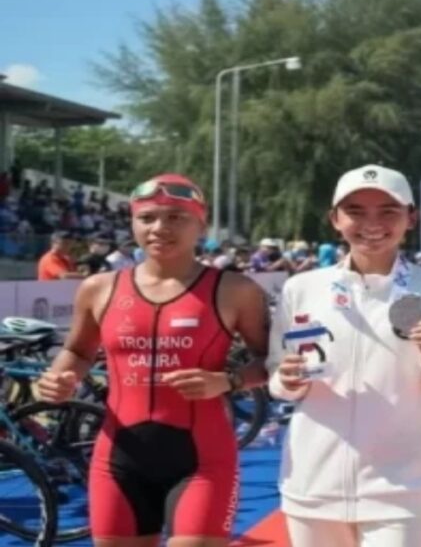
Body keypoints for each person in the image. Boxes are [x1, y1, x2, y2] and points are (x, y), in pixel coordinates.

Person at [35, 173, 270, 546]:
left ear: (201, 224)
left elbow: (273, 362)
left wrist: (229, 381)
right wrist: (59, 378)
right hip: (118, 459)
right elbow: (78, 351)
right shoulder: (99, 288)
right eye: (147, 218)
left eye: (176, 217)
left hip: (203, 460)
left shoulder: (235, 290)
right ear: (132, 223)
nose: (160, 228)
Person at [267, 164, 421, 547]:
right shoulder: (302, 289)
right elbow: (277, 378)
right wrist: (286, 380)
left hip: (403, 489)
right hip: (312, 485)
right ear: (335, 219)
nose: (372, 224)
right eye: (356, 211)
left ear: (411, 218)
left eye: (388, 211)